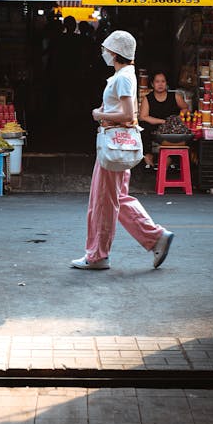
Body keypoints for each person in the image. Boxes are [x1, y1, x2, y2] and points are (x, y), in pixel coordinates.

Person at [71, 30, 174, 271]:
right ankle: (154, 237)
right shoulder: (124, 75)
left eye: (106, 49)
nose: (104, 53)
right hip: (114, 143)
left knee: (103, 202)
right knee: (115, 198)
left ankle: (98, 255)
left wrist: (100, 114)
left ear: (115, 53)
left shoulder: (123, 77)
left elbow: (129, 114)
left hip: (113, 143)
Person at [139, 70, 188, 168]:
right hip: (154, 126)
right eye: (157, 82)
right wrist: (163, 121)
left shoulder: (175, 96)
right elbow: (143, 116)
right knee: (143, 128)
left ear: (166, 83)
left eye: (163, 81)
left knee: (181, 132)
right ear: (152, 84)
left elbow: (185, 108)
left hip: (171, 127)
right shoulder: (148, 98)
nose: (160, 84)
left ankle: (171, 158)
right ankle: (148, 155)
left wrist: (178, 118)